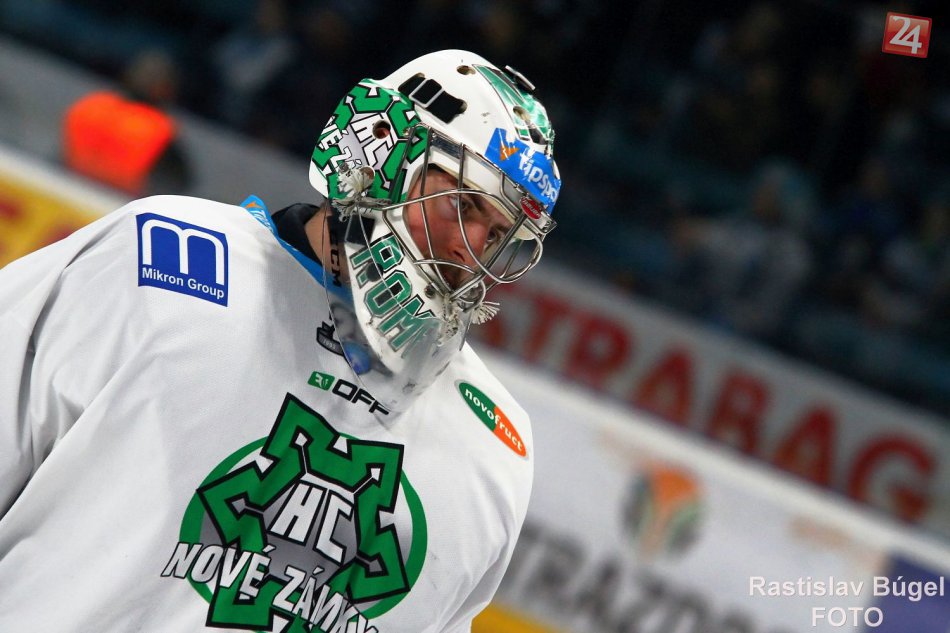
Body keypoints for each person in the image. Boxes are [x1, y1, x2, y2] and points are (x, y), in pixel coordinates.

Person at [0, 49, 561, 632]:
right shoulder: (159, 260)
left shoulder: (492, 452)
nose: (470, 251)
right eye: (463, 205)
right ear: (381, 151)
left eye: (498, 234)